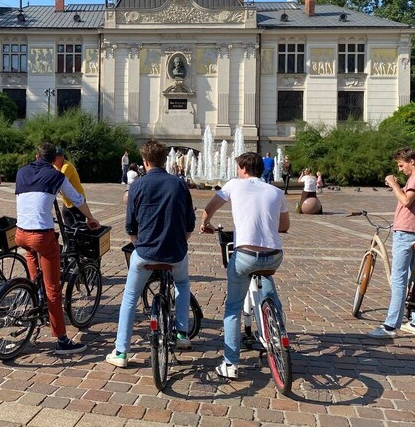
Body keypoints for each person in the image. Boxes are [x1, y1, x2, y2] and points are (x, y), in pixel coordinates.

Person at [200, 151, 290, 379]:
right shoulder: (276, 191)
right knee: (267, 281)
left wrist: (205, 223)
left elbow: (208, 209)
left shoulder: (233, 185)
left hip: (245, 255)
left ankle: (230, 363)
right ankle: (277, 330)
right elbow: (284, 226)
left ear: (243, 168)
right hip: (274, 255)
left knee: (232, 307)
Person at [107, 140, 195, 368]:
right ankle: (182, 333)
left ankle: (120, 352)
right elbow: (190, 225)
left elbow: (130, 227)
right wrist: (177, 243)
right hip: (175, 252)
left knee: (129, 297)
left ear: (145, 162)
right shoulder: (179, 184)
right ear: (165, 160)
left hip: (144, 252)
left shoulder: (137, 186)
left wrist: (140, 246)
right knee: (183, 284)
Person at [15, 142, 100, 355]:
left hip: (20, 233)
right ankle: (62, 339)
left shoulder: (21, 172)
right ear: (55, 159)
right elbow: (77, 199)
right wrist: (90, 218)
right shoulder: (57, 175)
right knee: (53, 288)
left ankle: (36, 298)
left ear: (36, 156)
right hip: (41, 237)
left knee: (38, 278)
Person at [368, 148, 415, 339]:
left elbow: (406, 200)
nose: (400, 168)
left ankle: (390, 326)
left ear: (411, 161)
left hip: (406, 232)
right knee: (414, 278)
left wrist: (394, 184)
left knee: (399, 279)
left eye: (401, 164)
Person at [53, 147, 86, 226]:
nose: (53, 160)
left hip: (77, 200)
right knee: (67, 225)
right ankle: (69, 238)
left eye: (56, 158)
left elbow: (60, 183)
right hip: (67, 201)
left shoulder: (67, 166)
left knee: (79, 226)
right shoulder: (55, 167)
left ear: (62, 157)